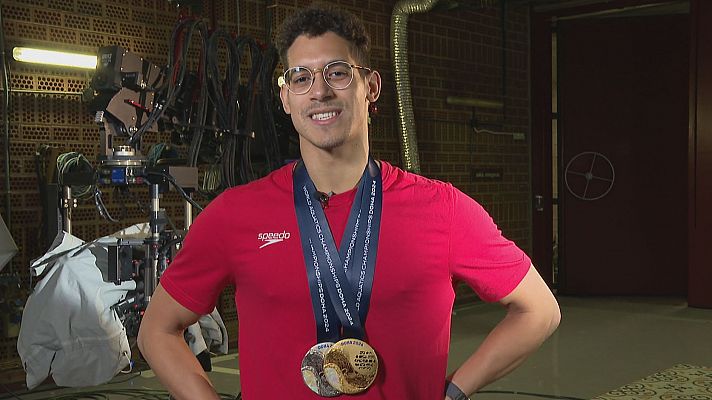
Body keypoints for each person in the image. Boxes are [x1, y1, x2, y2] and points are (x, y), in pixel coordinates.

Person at [137, 3, 561, 399]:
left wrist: (455, 391)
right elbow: (156, 330)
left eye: (337, 72)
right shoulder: (235, 214)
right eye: (301, 77)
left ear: (370, 86)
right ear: (285, 98)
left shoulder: (442, 209)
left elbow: (539, 311)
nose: (318, 91)